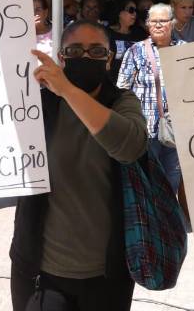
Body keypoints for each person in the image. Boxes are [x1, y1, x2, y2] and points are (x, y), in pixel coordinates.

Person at [10, 20, 147, 311]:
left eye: (97, 51)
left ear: (110, 59)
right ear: (61, 57)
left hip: (106, 274)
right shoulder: (39, 105)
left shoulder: (122, 102)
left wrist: (69, 91)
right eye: (75, 50)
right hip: (41, 271)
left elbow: (131, 146)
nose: (86, 58)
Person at [117, 4, 185, 193]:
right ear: (147, 24)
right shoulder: (135, 52)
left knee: (171, 185)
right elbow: (122, 90)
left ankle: (168, 222)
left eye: (163, 21)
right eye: (153, 21)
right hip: (145, 130)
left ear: (172, 23)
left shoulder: (185, 51)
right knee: (146, 185)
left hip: (176, 131)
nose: (158, 25)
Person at [106, 0, 148, 81]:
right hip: (114, 82)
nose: (135, 14)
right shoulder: (107, 33)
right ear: (120, 13)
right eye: (131, 10)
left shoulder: (139, 34)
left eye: (136, 11)